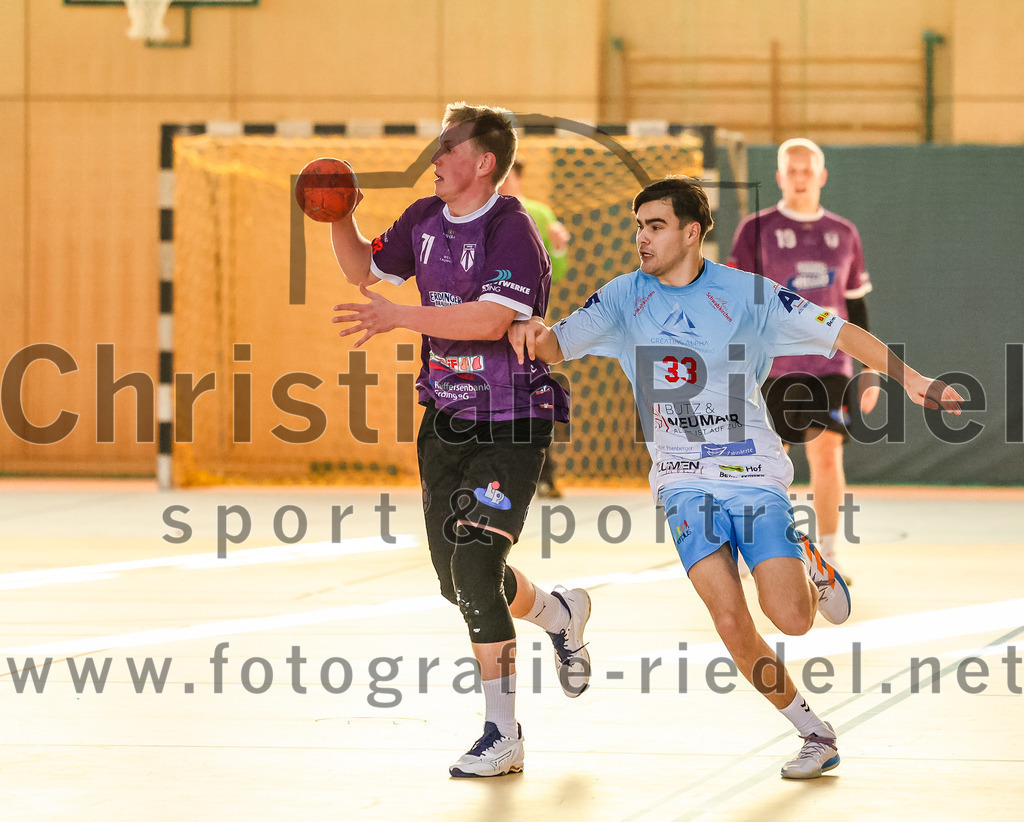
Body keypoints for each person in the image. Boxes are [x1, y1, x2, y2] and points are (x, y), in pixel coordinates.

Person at [509, 176, 962, 779]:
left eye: (655, 226)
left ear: (691, 233)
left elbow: (840, 330)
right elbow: (551, 346)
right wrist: (521, 323)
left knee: (793, 619)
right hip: (680, 479)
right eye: (639, 226)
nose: (642, 238)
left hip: (750, 471)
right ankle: (814, 732)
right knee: (729, 619)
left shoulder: (748, 294)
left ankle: (810, 561)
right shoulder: (622, 297)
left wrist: (912, 379)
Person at [329, 102, 591, 779]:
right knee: (458, 583)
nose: (435, 158)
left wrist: (399, 317)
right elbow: (363, 271)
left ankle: (503, 733)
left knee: (475, 570)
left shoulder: (513, 229)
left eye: (448, 147)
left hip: (512, 418)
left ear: (483, 162)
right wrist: (338, 217)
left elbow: (490, 320)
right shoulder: (423, 218)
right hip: (445, 418)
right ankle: (559, 614)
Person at [728, 138, 878, 579]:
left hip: (830, 366)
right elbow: (735, 301)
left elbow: (856, 305)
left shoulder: (843, 233)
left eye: (807, 171)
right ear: (779, 177)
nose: (799, 178)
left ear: (821, 176)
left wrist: (870, 368)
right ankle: (761, 550)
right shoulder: (755, 229)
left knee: (828, 454)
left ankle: (828, 554)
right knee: (767, 462)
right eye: (791, 171)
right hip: (772, 367)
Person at [498, 160, 571, 497]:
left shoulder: (538, 213)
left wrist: (559, 246)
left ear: (518, 177)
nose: (501, 181)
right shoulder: (477, 212)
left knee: (533, 397)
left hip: (527, 324)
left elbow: (558, 270)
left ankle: (543, 474)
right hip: (489, 322)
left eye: (507, 174)